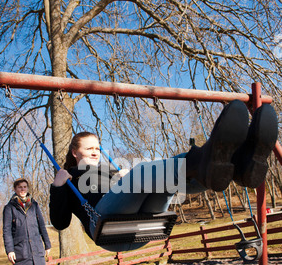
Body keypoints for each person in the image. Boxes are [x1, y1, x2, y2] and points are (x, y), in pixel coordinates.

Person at [49, 100, 278, 248]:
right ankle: (209, 159)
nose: (95, 152)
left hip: (140, 227)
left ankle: (238, 165)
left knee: (165, 179)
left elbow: (130, 188)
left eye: (98, 148)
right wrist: (58, 188)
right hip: (106, 229)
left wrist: (123, 179)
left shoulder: (109, 171)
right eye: (89, 149)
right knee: (143, 173)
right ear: (74, 152)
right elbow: (59, 224)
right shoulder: (69, 179)